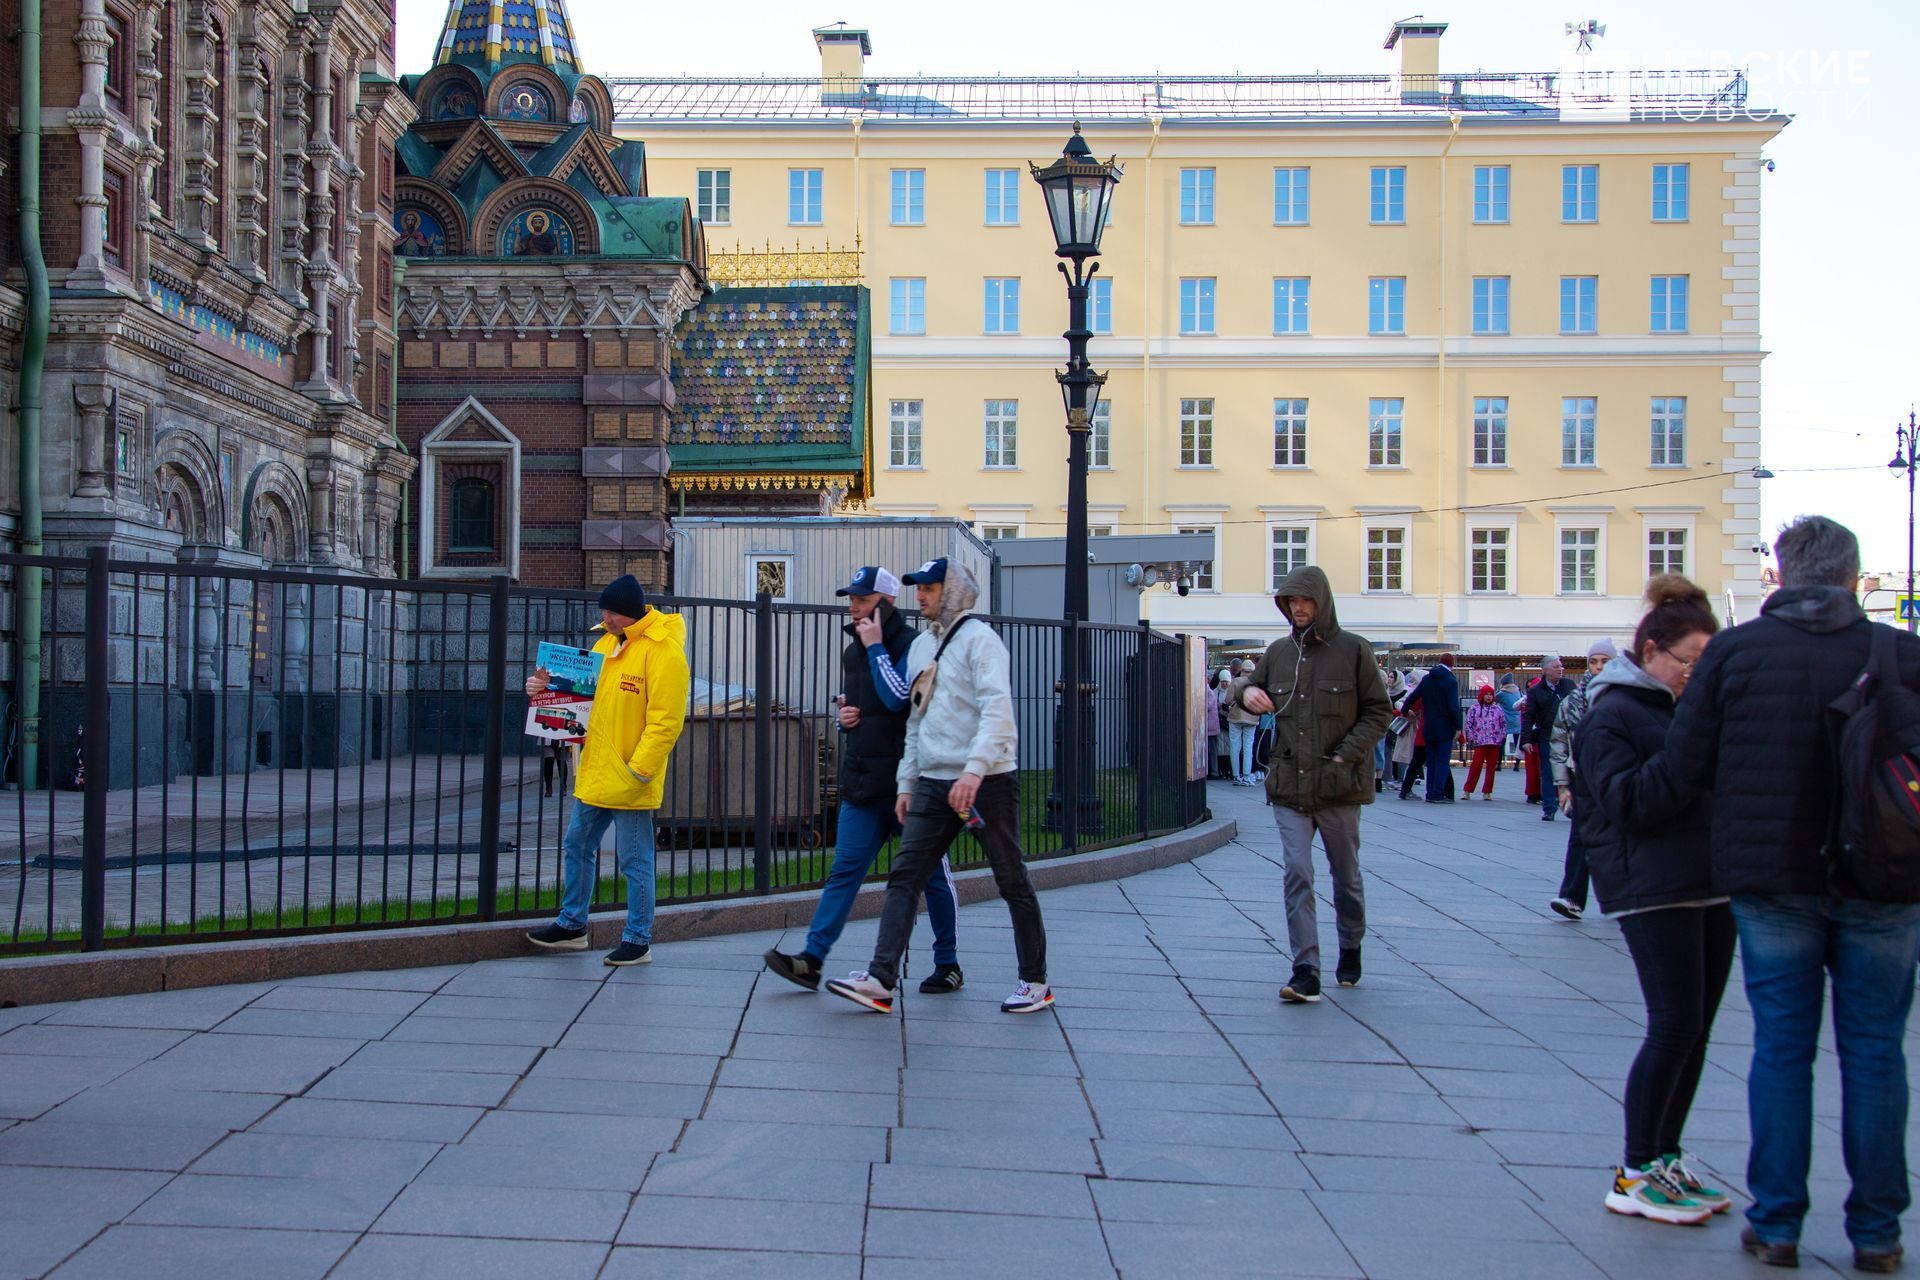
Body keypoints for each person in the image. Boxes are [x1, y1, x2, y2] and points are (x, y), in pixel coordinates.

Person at [1664, 517, 1920, 1273]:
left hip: (1773, 877)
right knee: (1876, 1052)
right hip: (1886, 877)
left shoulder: (1738, 653)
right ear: (1855, 577)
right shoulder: (1903, 654)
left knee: (1782, 1047)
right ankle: (1876, 1232)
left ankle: (1777, 1222)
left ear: (1780, 573)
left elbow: (1687, 763)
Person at [826, 558, 1052, 1016]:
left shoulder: (981, 642)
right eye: (918, 588)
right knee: (905, 875)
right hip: (932, 783)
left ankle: (1035, 982)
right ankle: (881, 980)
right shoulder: (922, 647)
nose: (920, 596)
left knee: (1011, 878)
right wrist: (908, 782)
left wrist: (973, 771)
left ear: (953, 593)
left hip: (984, 782)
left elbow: (997, 713)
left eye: (929, 588)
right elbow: (915, 717)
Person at [1575, 577, 1731, 1227]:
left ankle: (1664, 1153)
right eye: (1688, 659)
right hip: (1651, 887)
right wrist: (1694, 745)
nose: (1696, 673)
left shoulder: (1681, 709)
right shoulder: (1614, 711)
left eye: (1705, 662)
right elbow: (1628, 802)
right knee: (1671, 1025)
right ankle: (1635, 1169)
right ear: (1649, 649)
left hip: (1710, 882)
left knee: (1695, 1029)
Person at [764, 566, 963, 995]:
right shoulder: (853, 651)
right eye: (850, 598)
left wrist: (875, 650)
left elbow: (900, 703)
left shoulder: (914, 645)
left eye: (861, 598)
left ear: (885, 603)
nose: (852, 605)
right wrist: (844, 720)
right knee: (843, 873)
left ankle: (947, 963)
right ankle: (811, 961)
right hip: (864, 784)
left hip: (912, 787)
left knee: (931, 877)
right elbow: (861, 710)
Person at [1238, 566, 1391, 1004]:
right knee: (1297, 874)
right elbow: (1248, 686)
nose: (1299, 608)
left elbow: (1379, 711)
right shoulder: (1279, 652)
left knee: (1347, 878)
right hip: (1290, 787)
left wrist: (1347, 753)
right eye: (1291, 601)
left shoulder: (1354, 651)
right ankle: (1305, 968)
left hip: (1339, 785)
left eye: (1306, 601)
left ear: (1322, 603)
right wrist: (1246, 691)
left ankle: (1351, 943)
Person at [524, 574, 689, 966]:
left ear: (630, 613)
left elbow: (666, 721)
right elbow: (580, 705)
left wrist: (639, 772)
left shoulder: (663, 651)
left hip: (629, 778)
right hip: (597, 773)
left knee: (635, 860)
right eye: (605, 611)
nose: (606, 618)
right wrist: (541, 691)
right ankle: (572, 925)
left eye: (611, 612)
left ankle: (637, 939)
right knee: (578, 845)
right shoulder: (605, 643)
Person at [1548, 639, 1618, 918]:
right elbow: (1559, 742)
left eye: (1605, 661)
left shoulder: (1624, 696)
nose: (1599, 667)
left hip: (1618, 776)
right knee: (1580, 836)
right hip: (1583, 776)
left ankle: (1620, 894)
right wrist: (1562, 786)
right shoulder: (1574, 700)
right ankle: (1572, 897)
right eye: (1594, 661)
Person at [1404, 655, 1463, 803]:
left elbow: (1413, 696)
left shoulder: (1427, 679)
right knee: (1442, 762)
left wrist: (1405, 710)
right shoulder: (1450, 681)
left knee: (1431, 762)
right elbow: (1453, 707)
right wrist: (1457, 727)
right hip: (1444, 727)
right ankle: (1437, 794)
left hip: (1428, 727)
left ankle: (1430, 793)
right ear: (1452, 664)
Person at [1523, 657, 1575, 817]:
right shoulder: (1536, 691)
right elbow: (1529, 715)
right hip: (1548, 736)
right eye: (1555, 666)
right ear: (1544, 670)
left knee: (1571, 771)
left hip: (1570, 736)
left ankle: (1571, 806)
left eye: (1561, 666)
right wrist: (1526, 740)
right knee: (1547, 772)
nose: (1560, 669)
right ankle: (1549, 808)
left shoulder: (1569, 685)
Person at [1461, 685, 1506, 799]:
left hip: (1494, 742)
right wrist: (1471, 737)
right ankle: (1467, 790)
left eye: (1491, 694)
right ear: (1482, 695)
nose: (1489, 697)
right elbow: (1468, 724)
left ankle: (1487, 791)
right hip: (1480, 742)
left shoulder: (1498, 709)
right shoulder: (1474, 708)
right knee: (1476, 766)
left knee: (1491, 768)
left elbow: (1503, 724)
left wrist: (1501, 737)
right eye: (1486, 694)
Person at [1225, 659, 1260, 785]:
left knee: (1234, 747)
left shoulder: (1236, 681)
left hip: (1235, 717)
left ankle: (1236, 775)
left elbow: (1227, 701)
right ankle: (1246, 775)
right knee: (1248, 747)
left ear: (1242, 670)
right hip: (1251, 718)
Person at [1496, 674, 1524, 767]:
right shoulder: (1518, 691)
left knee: (1501, 743)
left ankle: (1499, 764)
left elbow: (1494, 699)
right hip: (1517, 721)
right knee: (1517, 744)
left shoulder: (1502, 693)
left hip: (1505, 721)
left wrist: (1498, 689)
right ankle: (1517, 765)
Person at [1204, 671, 1225, 780]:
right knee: (1210, 749)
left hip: (1210, 726)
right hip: (1210, 725)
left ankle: (1214, 771)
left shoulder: (1208, 691)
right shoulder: (1209, 691)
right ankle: (1212, 770)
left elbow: (1208, 706)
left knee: (1211, 749)